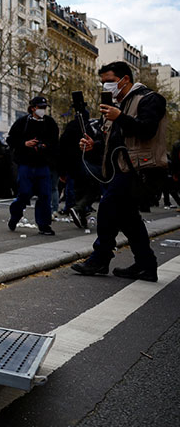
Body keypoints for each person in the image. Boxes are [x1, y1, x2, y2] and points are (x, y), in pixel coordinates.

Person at [71, 61, 167, 282]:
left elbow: (147, 130)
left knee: (107, 208)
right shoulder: (117, 106)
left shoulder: (150, 99)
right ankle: (145, 265)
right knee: (128, 219)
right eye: (103, 82)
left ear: (125, 79)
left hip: (141, 170)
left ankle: (100, 258)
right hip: (122, 170)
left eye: (110, 81)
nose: (106, 86)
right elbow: (112, 146)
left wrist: (119, 117)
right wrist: (93, 146)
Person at [6, 96, 59, 235]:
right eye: (39, 107)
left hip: (43, 165)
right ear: (33, 108)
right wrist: (25, 144)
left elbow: (54, 142)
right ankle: (15, 216)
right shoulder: (22, 122)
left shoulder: (50, 123)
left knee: (45, 195)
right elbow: (11, 139)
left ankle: (44, 225)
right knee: (24, 193)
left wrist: (45, 146)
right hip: (26, 164)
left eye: (44, 108)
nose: (42, 110)